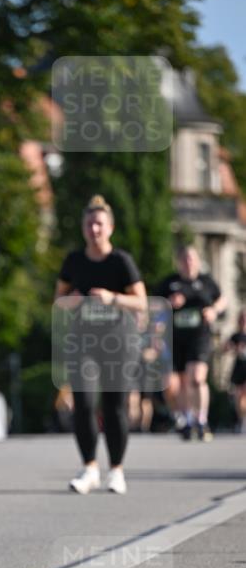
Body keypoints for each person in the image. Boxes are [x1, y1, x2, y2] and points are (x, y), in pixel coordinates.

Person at [54, 195, 147, 495]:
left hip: (118, 341)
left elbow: (141, 302)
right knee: (83, 403)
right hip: (84, 341)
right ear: (84, 228)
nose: (94, 229)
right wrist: (75, 301)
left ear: (110, 228)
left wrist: (112, 298)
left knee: (115, 406)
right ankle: (89, 467)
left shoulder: (121, 261)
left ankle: (116, 470)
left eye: (100, 224)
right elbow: (59, 300)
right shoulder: (74, 261)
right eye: (90, 223)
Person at [156, 245, 226, 441]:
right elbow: (154, 308)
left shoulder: (206, 282)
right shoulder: (169, 283)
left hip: (199, 337)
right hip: (175, 339)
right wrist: (168, 305)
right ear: (178, 262)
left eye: (192, 258)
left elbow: (222, 300)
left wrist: (214, 310)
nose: (188, 262)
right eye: (184, 259)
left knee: (196, 378)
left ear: (197, 260)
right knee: (173, 384)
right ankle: (185, 418)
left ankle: (201, 420)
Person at [225, 308, 246, 433]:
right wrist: (233, 348)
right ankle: (241, 420)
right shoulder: (236, 336)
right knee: (238, 398)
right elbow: (226, 348)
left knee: (244, 395)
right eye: (242, 319)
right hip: (239, 368)